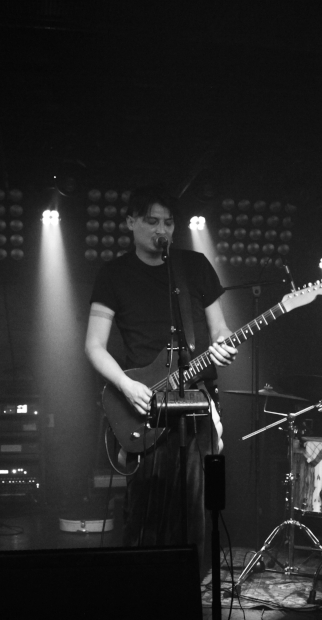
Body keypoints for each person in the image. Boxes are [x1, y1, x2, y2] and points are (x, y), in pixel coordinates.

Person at [84, 185, 237, 562]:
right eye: (152, 221)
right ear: (130, 222)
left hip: (195, 399)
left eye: (168, 222)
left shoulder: (194, 266)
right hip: (144, 402)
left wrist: (224, 343)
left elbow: (220, 329)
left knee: (194, 507)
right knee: (146, 509)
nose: (162, 230)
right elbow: (93, 346)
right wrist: (126, 384)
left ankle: (189, 579)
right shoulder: (114, 274)